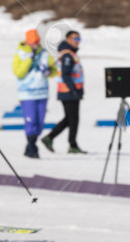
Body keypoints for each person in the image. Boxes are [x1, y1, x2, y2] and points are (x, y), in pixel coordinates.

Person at [13, 28, 56, 158]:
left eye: (37, 41)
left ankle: (30, 145)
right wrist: (29, 60)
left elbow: (53, 69)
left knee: (40, 122)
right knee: (31, 121)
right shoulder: (20, 54)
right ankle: (32, 147)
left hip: (42, 93)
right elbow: (18, 72)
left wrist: (49, 71)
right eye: (32, 42)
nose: (35, 44)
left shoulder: (44, 53)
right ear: (27, 41)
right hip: (27, 94)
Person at [41, 30, 86, 154]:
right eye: (75, 39)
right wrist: (73, 90)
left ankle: (57, 139)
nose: (78, 42)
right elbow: (66, 75)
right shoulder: (67, 55)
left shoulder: (70, 54)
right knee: (73, 119)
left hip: (70, 92)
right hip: (69, 92)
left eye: (79, 39)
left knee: (70, 119)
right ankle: (69, 143)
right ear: (68, 40)